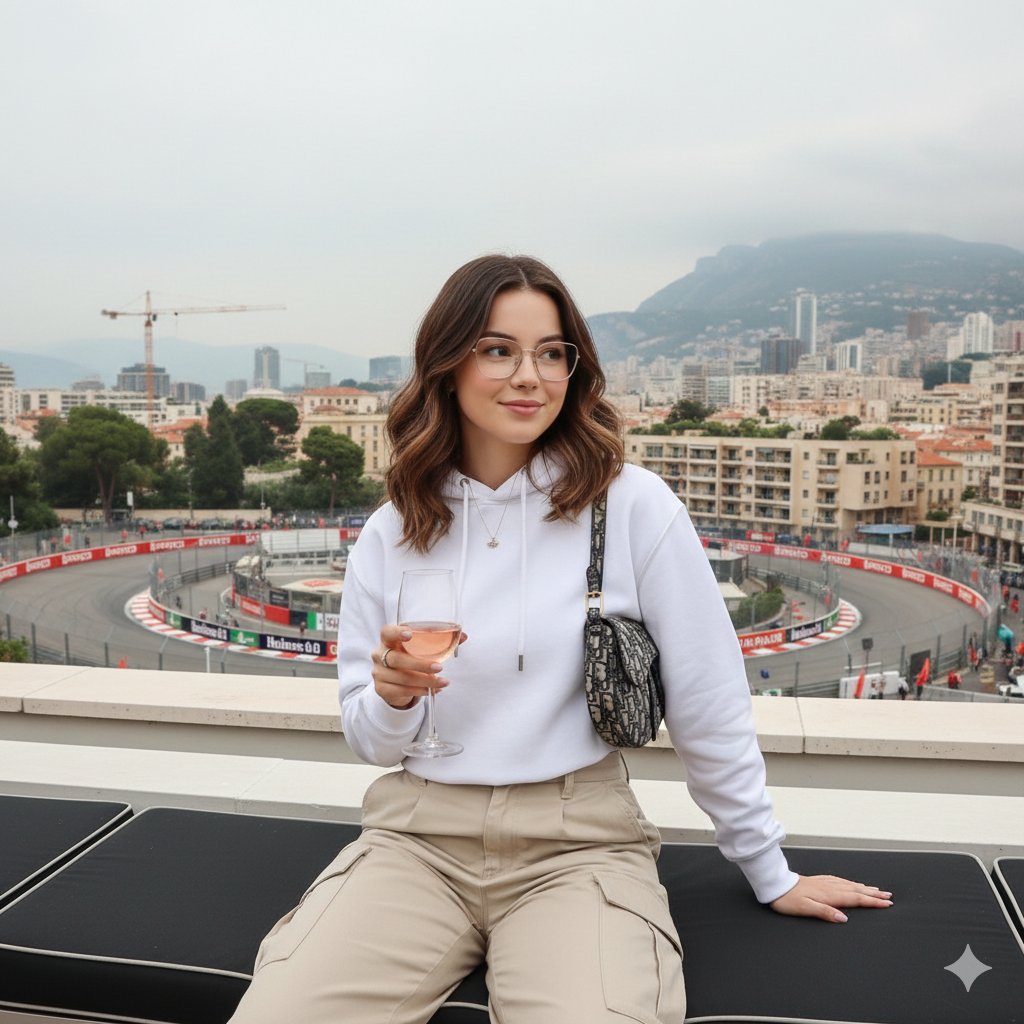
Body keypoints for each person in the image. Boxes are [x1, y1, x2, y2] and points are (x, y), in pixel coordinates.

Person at [227, 255, 891, 1024]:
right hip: (415, 841)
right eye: (497, 350)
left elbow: (709, 704)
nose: (529, 376)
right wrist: (393, 699)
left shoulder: (632, 507)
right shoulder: (394, 529)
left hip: (580, 847)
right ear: (447, 364)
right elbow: (372, 743)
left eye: (551, 353)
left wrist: (769, 870)